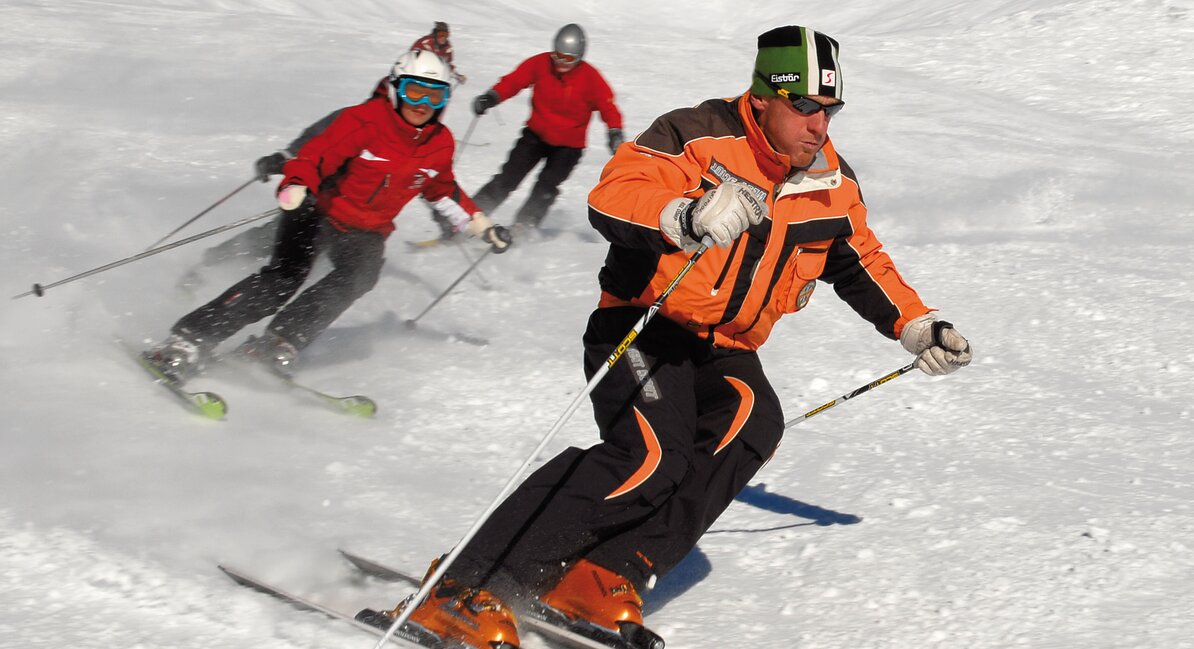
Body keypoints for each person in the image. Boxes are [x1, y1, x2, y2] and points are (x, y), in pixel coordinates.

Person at [375, 26, 973, 649]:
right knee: (651, 455)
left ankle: (604, 572)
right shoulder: (693, 134)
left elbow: (855, 258)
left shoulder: (830, 180)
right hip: (640, 326)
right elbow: (612, 195)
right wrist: (681, 218)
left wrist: (913, 323)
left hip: (725, 346)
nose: (818, 126)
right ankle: (463, 586)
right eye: (804, 108)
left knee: (752, 422)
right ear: (763, 96)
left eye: (829, 111)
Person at [145, 50, 511, 380]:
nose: (423, 103)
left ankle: (278, 340)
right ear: (398, 88)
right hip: (318, 210)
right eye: (415, 91)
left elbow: (441, 189)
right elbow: (317, 156)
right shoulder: (364, 121)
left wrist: (481, 226)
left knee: (361, 275)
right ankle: (188, 340)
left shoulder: (439, 142)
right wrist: (297, 185)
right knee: (283, 280)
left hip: (366, 229)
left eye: (436, 94)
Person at [468, 23, 624, 234]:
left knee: (546, 186)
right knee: (507, 178)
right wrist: (492, 97)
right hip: (535, 136)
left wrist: (614, 132)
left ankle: (524, 225)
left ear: (579, 57)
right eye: (557, 55)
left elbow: (608, 107)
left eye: (567, 59)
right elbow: (514, 81)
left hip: (568, 147)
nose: (560, 62)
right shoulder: (540, 63)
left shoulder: (590, 78)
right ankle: (471, 217)